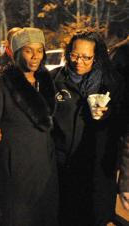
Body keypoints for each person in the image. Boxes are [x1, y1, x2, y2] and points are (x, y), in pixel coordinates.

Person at [0, 27, 58, 226]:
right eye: (28, 50)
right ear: (16, 53)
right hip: (13, 172)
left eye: (39, 50)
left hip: (45, 171)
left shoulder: (47, 82)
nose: (35, 56)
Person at [51, 31, 124, 226]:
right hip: (62, 168)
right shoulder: (54, 80)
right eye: (74, 55)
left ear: (97, 56)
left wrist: (108, 114)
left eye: (86, 57)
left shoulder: (112, 83)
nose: (79, 62)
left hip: (97, 169)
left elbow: (123, 125)